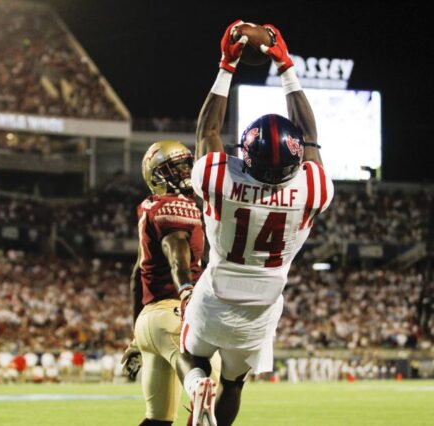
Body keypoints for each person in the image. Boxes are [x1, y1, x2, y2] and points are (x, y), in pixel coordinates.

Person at [177, 20, 334, 425]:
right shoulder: (313, 190)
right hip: (263, 304)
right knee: (233, 385)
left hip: (215, 294)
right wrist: (286, 67)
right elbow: (312, 139)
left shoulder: (219, 179)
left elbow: (208, 131)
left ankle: (196, 386)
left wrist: (227, 66)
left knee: (188, 355)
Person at [121, 140, 205, 426]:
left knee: (157, 420)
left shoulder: (149, 208)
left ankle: (197, 387)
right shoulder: (176, 207)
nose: (185, 172)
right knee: (208, 391)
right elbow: (176, 253)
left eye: (186, 165)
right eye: (176, 167)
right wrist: (186, 289)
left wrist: (135, 336)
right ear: (156, 175)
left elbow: (136, 276)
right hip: (174, 311)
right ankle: (196, 386)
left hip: (148, 322)